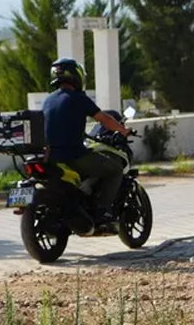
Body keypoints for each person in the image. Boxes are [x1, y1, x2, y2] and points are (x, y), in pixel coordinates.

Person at [41, 58, 132, 226]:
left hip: (52, 158)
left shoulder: (47, 101)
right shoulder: (78, 98)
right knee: (115, 170)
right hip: (74, 156)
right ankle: (102, 211)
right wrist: (123, 130)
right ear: (76, 76)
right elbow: (104, 119)